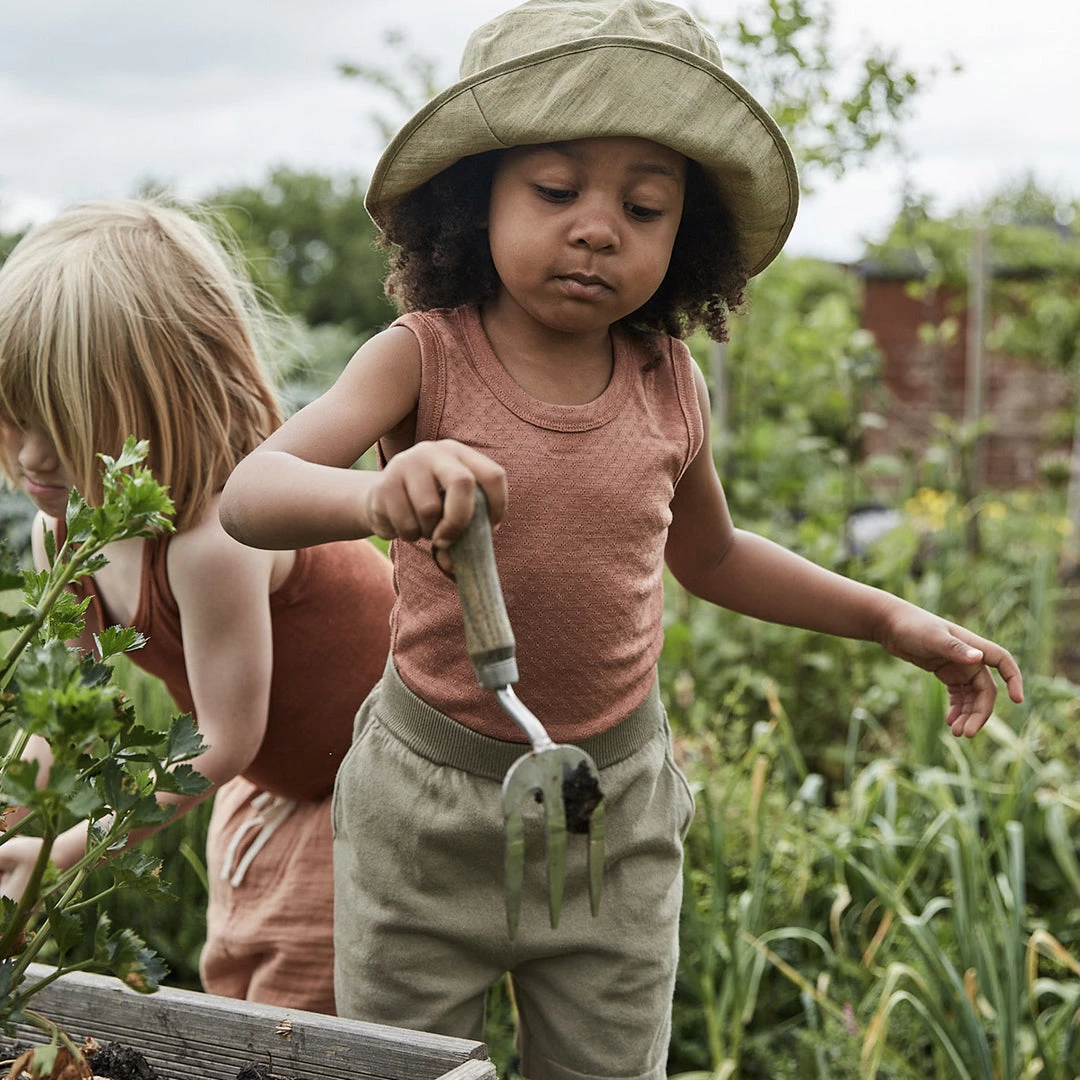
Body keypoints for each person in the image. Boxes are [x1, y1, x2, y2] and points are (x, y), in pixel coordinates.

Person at [218, 0, 1025, 1074]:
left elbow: (716, 558)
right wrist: (378, 494)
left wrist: (889, 618)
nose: (598, 226)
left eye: (645, 207)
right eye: (556, 190)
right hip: (425, 814)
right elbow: (252, 494)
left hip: (614, 815)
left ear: (683, 239)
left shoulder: (667, 380)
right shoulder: (422, 356)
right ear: (476, 195)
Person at [0, 198, 395, 1015]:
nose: (34, 455)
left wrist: (63, 854)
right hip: (271, 780)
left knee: (298, 1006)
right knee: (237, 970)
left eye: (64, 424)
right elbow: (62, 711)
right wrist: (10, 820)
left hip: (376, 779)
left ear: (161, 403)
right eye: (15, 418)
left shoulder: (212, 540)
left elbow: (223, 735)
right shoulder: (66, 537)